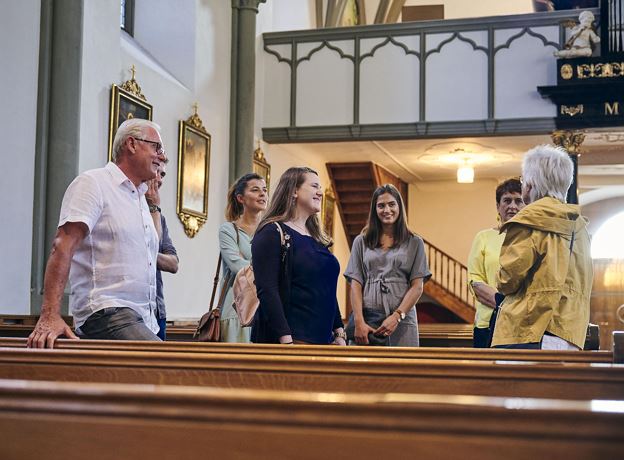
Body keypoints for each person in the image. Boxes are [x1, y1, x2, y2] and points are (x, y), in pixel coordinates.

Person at [27, 118, 167, 348]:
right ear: (131, 144)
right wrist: (50, 314)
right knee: (174, 369)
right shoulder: (94, 183)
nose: (161, 156)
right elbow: (63, 245)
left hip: (142, 317)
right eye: (157, 147)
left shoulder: (140, 198)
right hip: (107, 311)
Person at [491, 145, 593, 350]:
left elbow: (507, 281)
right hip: (569, 332)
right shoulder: (579, 227)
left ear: (530, 184)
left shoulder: (528, 221)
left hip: (527, 331)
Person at [251, 167, 346, 345]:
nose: (320, 192)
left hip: (324, 340)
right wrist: (286, 340)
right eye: (314, 186)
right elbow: (267, 290)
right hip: (293, 338)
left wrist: (339, 331)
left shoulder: (318, 238)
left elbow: (327, 289)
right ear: (294, 191)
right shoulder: (272, 232)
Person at [344, 184, 431, 347]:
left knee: (403, 369)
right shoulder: (361, 241)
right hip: (368, 320)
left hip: (402, 321)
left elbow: (417, 287)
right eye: (381, 205)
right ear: (374, 210)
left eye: (392, 204)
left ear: (399, 207)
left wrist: (397, 315)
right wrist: (359, 321)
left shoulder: (414, 242)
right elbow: (355, 284)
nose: (387, 210)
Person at [467, 178, 525, 348]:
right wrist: (505, 306)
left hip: (521, 325)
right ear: (498, 206)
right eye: (506, 200)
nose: (512, 206)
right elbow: (475, 281)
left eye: (518, 201)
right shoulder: (483, 237)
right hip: (487, 323)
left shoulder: (532, 239)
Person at [218, 173, 268, 343]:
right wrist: (267, 270)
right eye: (255, 190)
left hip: (266, 307)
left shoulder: (271, 230)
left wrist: (250, 264)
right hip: (236, 309)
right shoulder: (228, 230)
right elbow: (236, 266)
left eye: (264, 190)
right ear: (241, 198)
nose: (262, 194)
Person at [146, 159, 179, 341]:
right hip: (134, 311)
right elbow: (152, 246)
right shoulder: (128, 210)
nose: (158, 179)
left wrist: (154, 209)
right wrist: (153, 207)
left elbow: (173, 263)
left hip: (158, 308)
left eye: (163, 174)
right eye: (156, 171)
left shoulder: (160, 217)